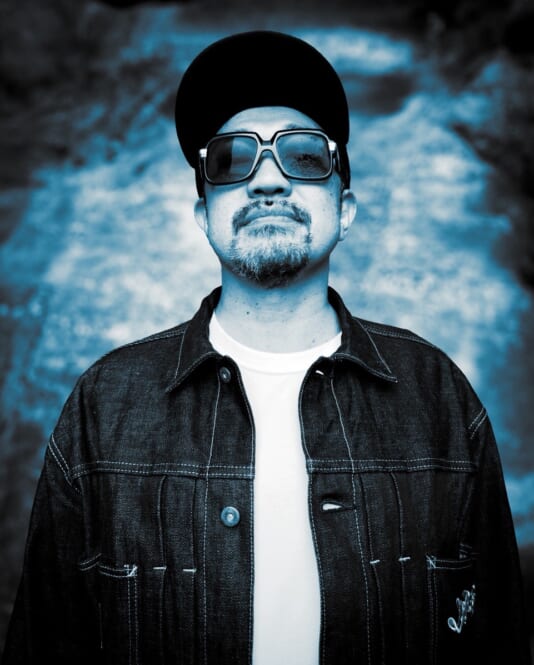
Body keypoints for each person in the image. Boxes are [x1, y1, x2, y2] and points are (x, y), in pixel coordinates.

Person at [1, 30, 530, 665]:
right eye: (232, 160)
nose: (268, 181)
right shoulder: (105, 405)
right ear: (204, 215)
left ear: (346, 209)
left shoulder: (438, 396)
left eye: (304, 156)